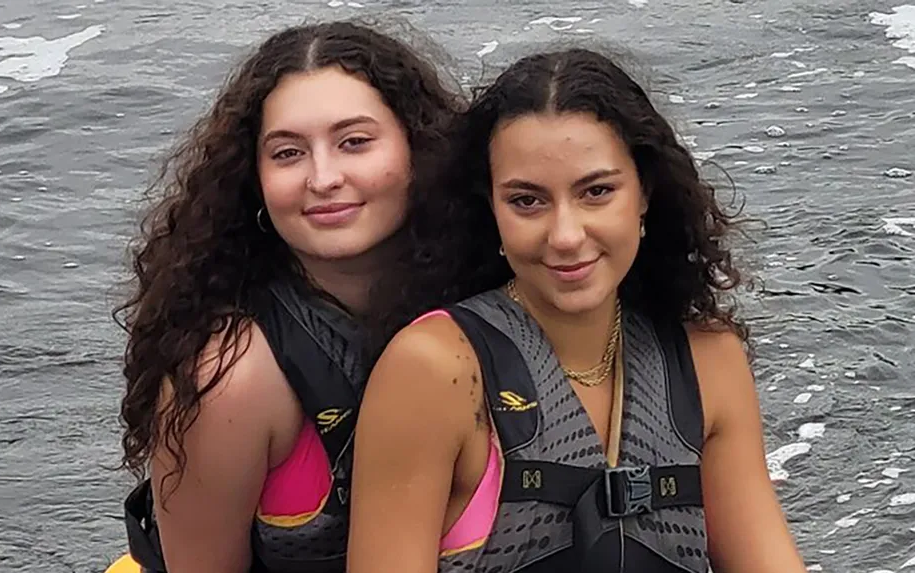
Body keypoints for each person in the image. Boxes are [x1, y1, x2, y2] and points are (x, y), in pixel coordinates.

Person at [347, 48, 809, 572]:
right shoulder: (434, 370)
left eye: (596, 192)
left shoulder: (708, 362)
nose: (566, 236)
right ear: (489, 209)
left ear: (645, 195)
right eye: (527, 201)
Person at [113, 20, 466, 573]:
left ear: (420, 149)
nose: (322, 178)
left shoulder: (488, 300)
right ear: (253, 179)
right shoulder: (229, 377)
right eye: (287, 153)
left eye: (354, 142)